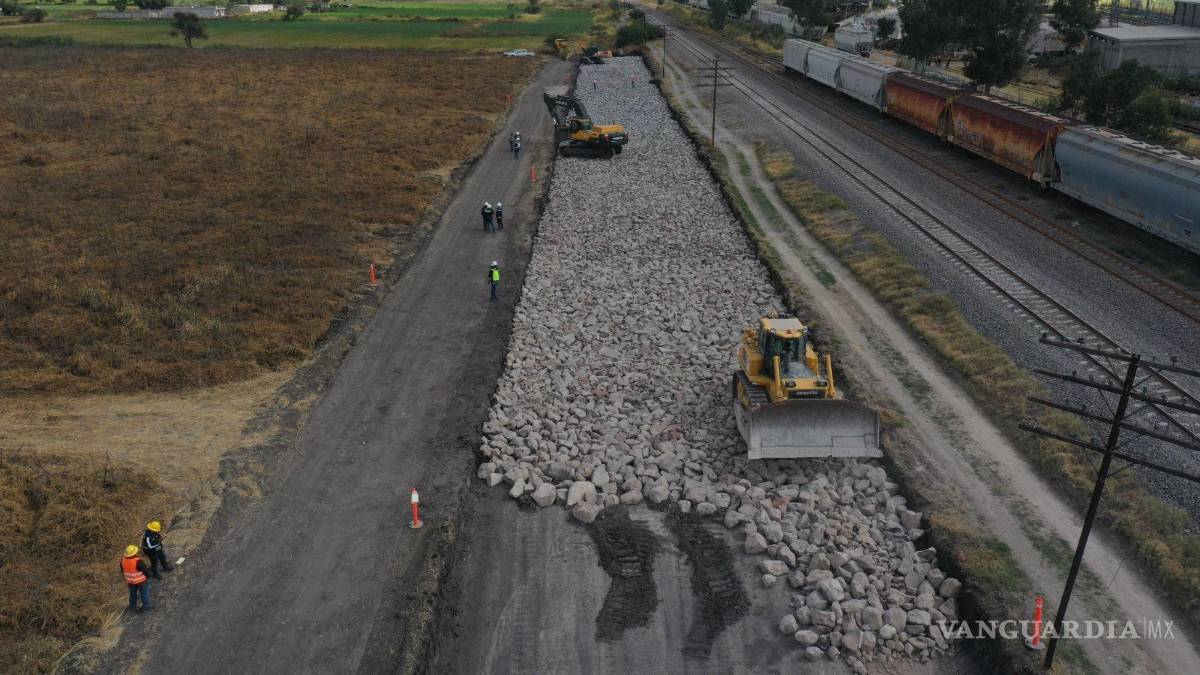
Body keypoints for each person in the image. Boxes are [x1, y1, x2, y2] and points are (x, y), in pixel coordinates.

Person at [122, 545, 153, 612]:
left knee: (132, 593)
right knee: (144, 593)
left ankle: (132, 606)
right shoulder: (138, 561)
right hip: (141, 581)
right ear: (134, 553)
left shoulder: (122, 561)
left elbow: (123, 570)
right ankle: (146, 607)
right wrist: (148, 576)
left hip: (130, 581)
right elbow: (145, 571)